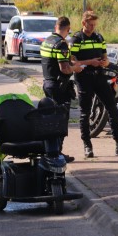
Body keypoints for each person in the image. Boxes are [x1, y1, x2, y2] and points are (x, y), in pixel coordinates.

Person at [68, 11, 118, 158]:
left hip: (99, 76)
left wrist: (105, 62)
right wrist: (90, 62)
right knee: (85, 113)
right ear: (83, 23)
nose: (92, 27)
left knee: (112, 108)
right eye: (90, 24)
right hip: (83, 77)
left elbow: (105, 58)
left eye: (94, 25)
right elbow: (72, 62)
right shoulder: (76, 39)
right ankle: (87, 145)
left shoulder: (99, 37)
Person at [39, 16, 83, 163]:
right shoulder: (61, 44)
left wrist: (70, 61)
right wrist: (75, 68)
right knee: (60, 121)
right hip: (59, 87)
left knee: (50, 120)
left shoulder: (47, 41)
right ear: (68, 29)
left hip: (48, 84)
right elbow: (64, 69)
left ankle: (50, 150)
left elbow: (54, 61)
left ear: (55, 27)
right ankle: (57, 153)